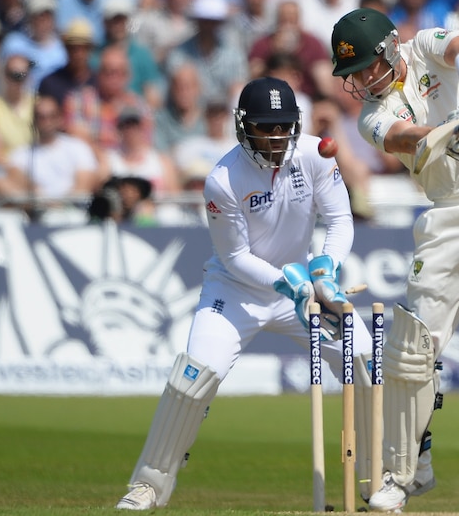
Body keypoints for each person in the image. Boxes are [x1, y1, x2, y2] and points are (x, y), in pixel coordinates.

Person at [114, 76, 376, 510]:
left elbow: (341, 221)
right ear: (243, 126)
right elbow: (235, 256)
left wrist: (326, 269)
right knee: (193, 378)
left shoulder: (315, 154)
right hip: (236, 291)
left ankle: (375, 477)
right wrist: (285, 281)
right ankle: (149, 485)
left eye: (282, 126)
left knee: (365, 359)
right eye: (264, 128)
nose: (275, 137)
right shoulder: (223, 179)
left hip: (304, 291)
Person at [329, 8, 459, 511]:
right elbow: (407, 138)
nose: (360, 82)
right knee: (409, 349)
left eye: (365, 67)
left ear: (388, 50)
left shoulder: (423, 46)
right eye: (352, 75)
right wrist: (455, 130)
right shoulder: (371, 116)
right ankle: (402, 473)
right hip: (445, 214)